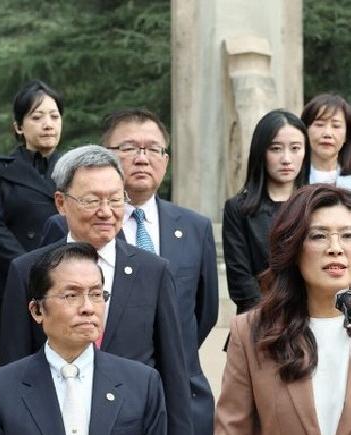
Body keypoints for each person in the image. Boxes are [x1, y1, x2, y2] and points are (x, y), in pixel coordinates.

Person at [40, 108, 218, 433]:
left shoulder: (196, 227)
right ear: (103, 155)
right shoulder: (65, 225)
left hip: (179, 395)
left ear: (166, 158)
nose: (141, 158)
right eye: (128, 148)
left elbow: (202, 314)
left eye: (153, 149)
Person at [0, 145, 193, 434]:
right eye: (92, 200)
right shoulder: (26, 271)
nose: (106, 212)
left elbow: (174, 375)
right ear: (61, 203)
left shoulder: (153, 271)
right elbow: (13, 377)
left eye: (115, 199)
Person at [215, 184, 351, 435]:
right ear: (294, 246)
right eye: (319, 235)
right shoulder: (250, 332)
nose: (336, 248)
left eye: (348, 236)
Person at [0, 242, 166, 435]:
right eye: (71, 295)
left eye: (96, 294)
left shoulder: (142, 383)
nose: (88, 308)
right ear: (37, 310)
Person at [0, 80, 65, 349]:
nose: (48, 124)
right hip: (14, 281)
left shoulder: (75, 170)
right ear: (18, 126)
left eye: (54, 116)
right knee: (18, 364)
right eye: (36, 117)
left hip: (65, 281)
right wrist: (27, 269)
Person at [223, 109, 310, 315]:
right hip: (258, 322)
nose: (287, 159)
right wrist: (271, 318)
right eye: (276, 148)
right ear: (261, 151)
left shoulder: (316, 205)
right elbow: (240, 280)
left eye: (295, 148)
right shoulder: (239, 208)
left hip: (310, 319)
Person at [301, 94, 351, 199]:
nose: (327, 133)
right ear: (306, 130)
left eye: (336, 126)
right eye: (319, 124)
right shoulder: (293, 176)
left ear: (346, 135)